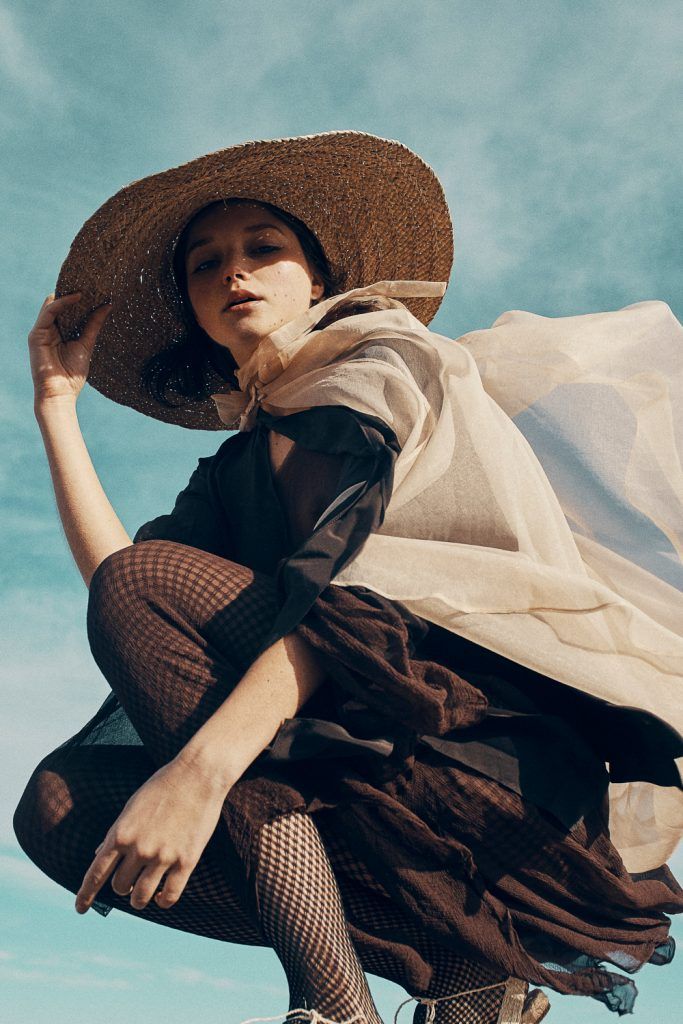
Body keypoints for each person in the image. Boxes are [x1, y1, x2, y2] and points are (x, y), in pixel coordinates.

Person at [13, 131, 683, 1024]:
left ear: (320, 279)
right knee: (61, 808)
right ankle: (457, 965)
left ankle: (330, 1004)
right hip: (362, 767)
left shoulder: (380, 368)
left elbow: (358, 603)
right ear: (192, 308)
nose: (232, 272)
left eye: (263, 248)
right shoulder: (239, 464)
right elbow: (122, 591)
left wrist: (200, 776)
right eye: (206, 263)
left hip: (481, 760)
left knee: (154, 605)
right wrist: (57, 407)